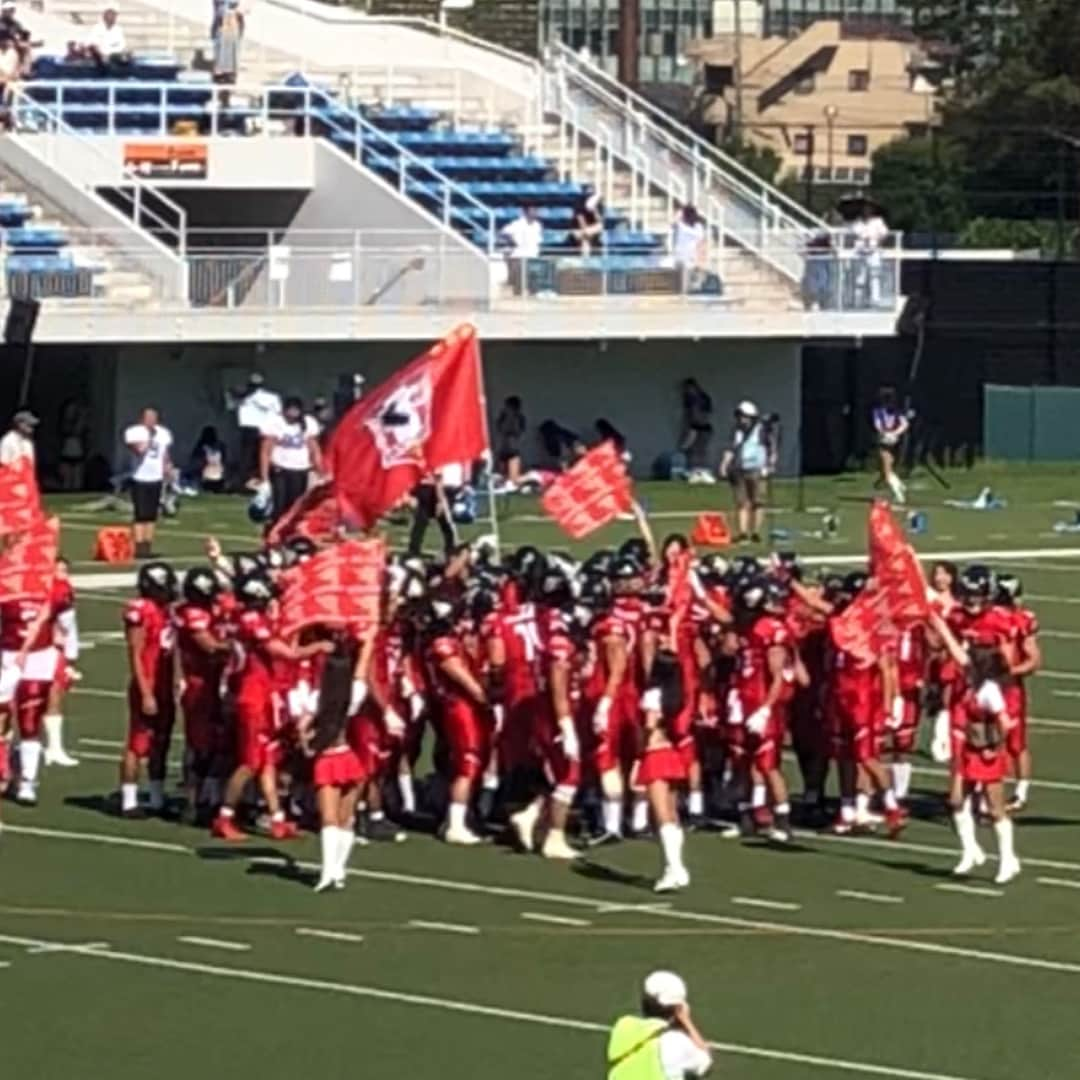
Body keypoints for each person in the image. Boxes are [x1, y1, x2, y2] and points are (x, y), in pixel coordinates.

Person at [119, 562, 178, 818]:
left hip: (164, 684)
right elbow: (135, 653)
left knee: (161, 742)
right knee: (137, 742)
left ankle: (156, 797)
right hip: (148, 683)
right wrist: (145, 692)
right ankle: (129, 800)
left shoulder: (166, 611)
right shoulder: (140, 611)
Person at [607, 971, 712, 1080]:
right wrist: (686, 1020)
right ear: (678, 1009)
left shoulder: (623, 1026)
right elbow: (705, 1062)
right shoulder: (675, 1041)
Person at [259, 396, 322, 523]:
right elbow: (265, 451)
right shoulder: (275, 423)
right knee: (279, 505)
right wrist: (264, 478)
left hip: (300, 470)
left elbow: (314, 450)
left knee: (296, 506)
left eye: (296, 410)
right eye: (290, 409)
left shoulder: (308, 423)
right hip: (280, 469)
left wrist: (320, 472)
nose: (293, 413)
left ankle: (290, 534)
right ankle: (275, 533)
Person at [718, 401, 774, 544]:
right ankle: (742, 533)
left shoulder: (762, 431)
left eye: (744, 416)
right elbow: (730, 448)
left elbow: (771, 449)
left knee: (758, 502)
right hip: (740, 470)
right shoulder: (736, 431)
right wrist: (724, 465)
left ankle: (755, 533)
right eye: (739, 416)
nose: (741, 420)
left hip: (757, 470)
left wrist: (770, 464)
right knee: (742, 502)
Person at [124, 406, 174, 560]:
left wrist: (167, 467)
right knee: (140, 513)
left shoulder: (163, 433)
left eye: (154, 417)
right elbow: (139, 450)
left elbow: (164, 453)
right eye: (148, 418)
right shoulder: (134, 432)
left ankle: (147, 546)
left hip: (156, 477)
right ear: (142, 419)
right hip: (140, 477)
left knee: (152, 514)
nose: (151, 421)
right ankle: (139, 547)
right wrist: (149, 437)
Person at [406, 462, 462, 558]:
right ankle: (414, 550)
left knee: (443, 519)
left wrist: (440, 500)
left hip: (437, 486)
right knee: (421, 520)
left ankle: (451, 548)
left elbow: (438, 477)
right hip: (426, 486)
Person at [235, 372, 280, 489]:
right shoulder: (244, 397)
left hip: (263, 429)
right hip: (251, 428)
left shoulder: (268, 397)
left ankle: (260, 479)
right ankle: (247, 481)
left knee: (260, 455)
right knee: (249, 456)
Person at [872, 386, 909, 505]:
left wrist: (892, 434)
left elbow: (904, 424)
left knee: (886, 470)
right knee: (885, 469)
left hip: (887, 441)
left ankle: (899, 494)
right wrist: (890, 434)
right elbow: (878, 425)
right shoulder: (881, 411)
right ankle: (898, 484)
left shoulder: (894, 412)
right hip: (889, 439)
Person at [500, 206, 542, 295]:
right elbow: (503, 233)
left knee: (533, 282)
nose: (535, 213)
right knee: (519, 283)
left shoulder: (538, 225)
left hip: (533, 256)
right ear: (526, 212)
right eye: (533, 211)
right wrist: (512, 241)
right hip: (519, 256)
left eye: (536, 211)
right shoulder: (517, 224)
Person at [679, 378, 713, 476]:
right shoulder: (688, 399)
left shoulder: (702, 398)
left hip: (702, 426)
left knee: (701, 449)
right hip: (693, 426)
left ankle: (702, 469)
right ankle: (692, 469)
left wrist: (698, 421)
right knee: (690, 448)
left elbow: (706, 414)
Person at [671, 204, 706, 292]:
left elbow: (699, 237)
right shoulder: (680, 225)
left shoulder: (696, 227)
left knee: (686, 285)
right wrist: (678, 216)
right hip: (680, 258)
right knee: (679, 284)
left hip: (689, 259)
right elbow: (672, 223)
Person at [57, 398, 89, 491]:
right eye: (69, 409)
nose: (71, 411)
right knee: (66, 482)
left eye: (74, 409)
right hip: (66, 454)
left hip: (79, 454)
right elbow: (73, 432)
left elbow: (83, 435)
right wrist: (82, 417)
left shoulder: (81, 423)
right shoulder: (63, 423)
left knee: (77, 483)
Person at [87, 8, 131, 73]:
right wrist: (102, 54)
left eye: (114, 16)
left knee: (127, 53)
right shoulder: (97, 28)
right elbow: (93, 44)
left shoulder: (118, 29)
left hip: (114, 54)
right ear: (104, 17)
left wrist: (117, 52)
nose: (113, 18)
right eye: (111, 16)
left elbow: (122, 45)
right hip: (100, 55)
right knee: (94, 50)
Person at [495, 395, 526, 485]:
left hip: (513, 448)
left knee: (514, 479)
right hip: (503, 447)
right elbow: (500, 429)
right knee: (501, 474)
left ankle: (514, 481)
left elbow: (518, 432)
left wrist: (512, 418)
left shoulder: (519, 418)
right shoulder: (503, 417)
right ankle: (502, 482)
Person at [187, 425, 227, 494]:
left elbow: (196, 460)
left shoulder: (203, 446)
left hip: (213, 473)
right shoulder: (204, 446)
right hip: (210, 474)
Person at [212, 0, 241, 86]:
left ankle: (228, 72)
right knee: (222, 42)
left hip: (230, 31)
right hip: (222, 28)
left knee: (230, 42)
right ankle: (223, 72)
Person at [571, 191, 604, 256]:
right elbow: (581, 222)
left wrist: (594, 210)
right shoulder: (579, 208)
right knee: (585, 239)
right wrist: (586, 231)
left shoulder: (597, 208)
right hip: (578, 230)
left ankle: (587, 257)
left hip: (590, 231)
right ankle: (586, 258)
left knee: (599, 227)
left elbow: (599, 222)